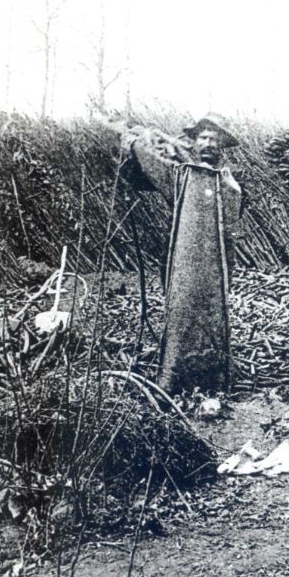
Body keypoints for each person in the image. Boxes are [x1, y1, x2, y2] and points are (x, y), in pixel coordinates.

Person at [117, 114, 243, 394]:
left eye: (214, 139)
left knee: (214, 317)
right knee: (181, 314)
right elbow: (147, 157)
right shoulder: (182, 173)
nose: (209, 144)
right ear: (194, 142)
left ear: (221, 146)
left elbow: (232, 220)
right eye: (203, 138)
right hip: (185, 258)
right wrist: (138, 137)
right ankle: (174, 379)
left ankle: (213, 380)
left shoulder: (227, 180)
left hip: (216, 265)